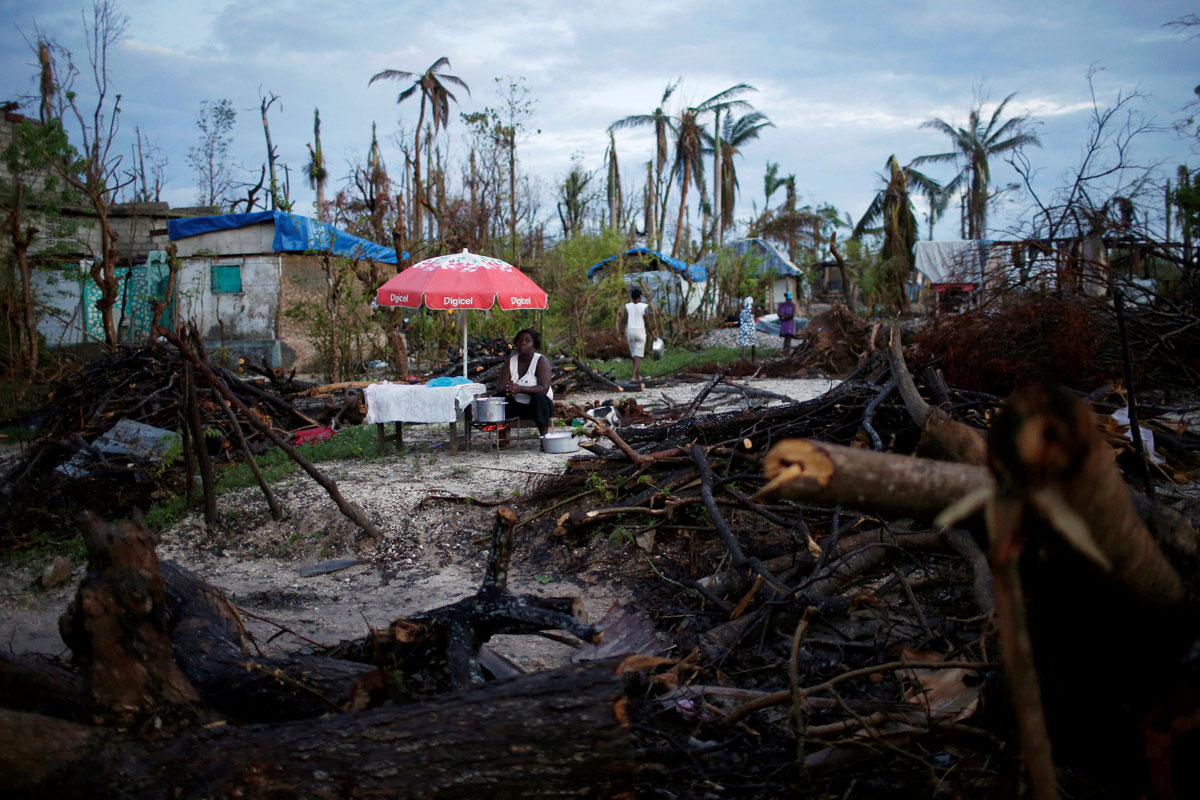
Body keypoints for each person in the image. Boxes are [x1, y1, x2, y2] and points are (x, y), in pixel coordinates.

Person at [496, 327, 554, 439]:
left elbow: (544, 388)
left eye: (528, 341)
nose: (523, 343)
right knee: (499, 397)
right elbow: (500, 386)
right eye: (520, 340)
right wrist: (510, 388)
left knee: (539, 396)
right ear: (516, 343)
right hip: (517, 406)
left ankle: (545, 437)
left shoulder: (540, 360)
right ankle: (502, 437)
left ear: (534, 345)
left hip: (539, 407)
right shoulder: (511, 361)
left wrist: (520, 389)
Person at [620, 287, 652, 383]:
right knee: (638, 356)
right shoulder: (644, 307)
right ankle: (633, 377)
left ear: (632, 297)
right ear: (640, 297)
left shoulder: (627, 306)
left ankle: (638, 376)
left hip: (630, 332)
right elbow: (647, 322)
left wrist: (620, 332)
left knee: (634, 354)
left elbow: (624, 320)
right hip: (640, 332)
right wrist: (652, 334)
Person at [738, 296, 757, 362]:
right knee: (753, 345)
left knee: (744, 345)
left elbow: (740, 319)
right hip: (750, 330)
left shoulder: (742, 311)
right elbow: (755, 313)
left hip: (743, 329)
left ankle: (743, 359)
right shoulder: (752, 310)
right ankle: (753, 360)